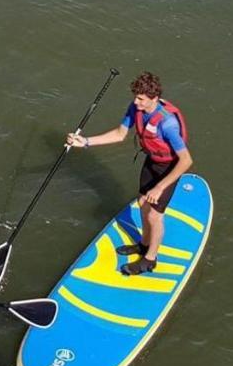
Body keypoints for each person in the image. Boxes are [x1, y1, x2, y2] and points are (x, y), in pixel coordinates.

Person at [67, 71, 192, 276]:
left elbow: (186, 160)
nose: (136, 101)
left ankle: (150, 259)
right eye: (135, 97)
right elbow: (119, 134)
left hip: (169, 168)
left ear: (153, 97)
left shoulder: (167, 123)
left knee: (154, 215)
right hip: (152, 161)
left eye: (141, 98)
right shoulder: (136, 108)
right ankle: (143, 244)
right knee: (143, 203)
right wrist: (86, 142)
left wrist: (160, 187)